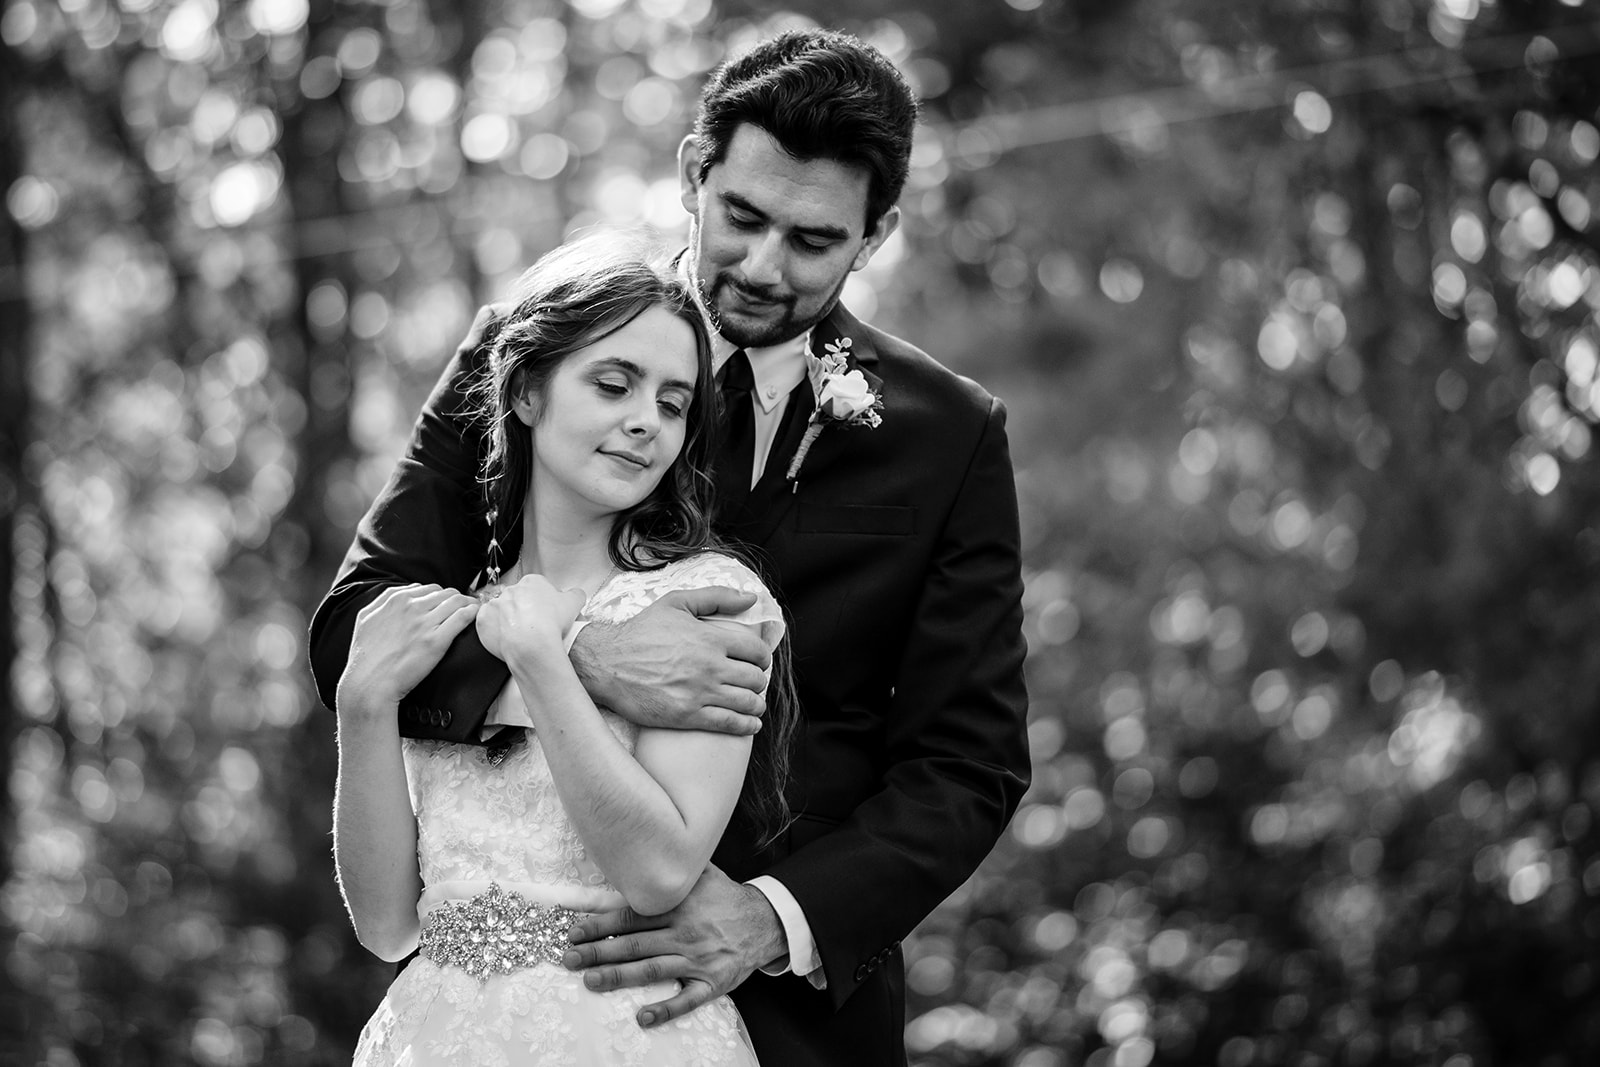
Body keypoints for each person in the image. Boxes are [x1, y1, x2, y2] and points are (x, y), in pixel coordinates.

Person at [310, 28, 1031, 1067]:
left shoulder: (949, 433)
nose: (762, 265)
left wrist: (776, 917)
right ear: (694, 171)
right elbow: (355, 626)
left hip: (795, 1020)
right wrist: (577, 661)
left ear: (873, 238)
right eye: (741, 216)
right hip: (497, 998)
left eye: (814, 240)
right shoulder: (533, 349)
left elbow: (967, 759)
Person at [330, 232, 794, 1065]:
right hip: (436, 1036)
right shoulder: (447, 618)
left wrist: (545, 660)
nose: (644, 422)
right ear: (530, 394)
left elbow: (657, 872)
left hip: (624, 1035)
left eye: (673, 402)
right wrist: (364, 706)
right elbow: (386, 922)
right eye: (614, 384)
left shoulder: (708, 601)